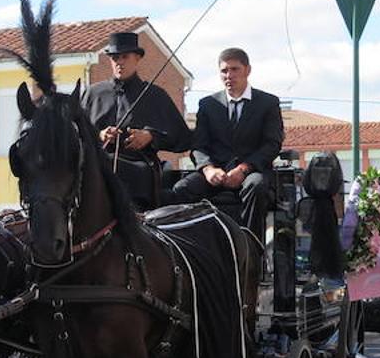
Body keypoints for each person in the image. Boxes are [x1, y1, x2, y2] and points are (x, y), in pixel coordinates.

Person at [170, 47, 284, 229]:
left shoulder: (268, 103)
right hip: (215, 174)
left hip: (251, 172)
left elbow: (272, 144)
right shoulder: (208, 105)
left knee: (257, 186)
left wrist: (244, 169)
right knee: (182, 189)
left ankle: (250, 245)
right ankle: (194, 248)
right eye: (224, 71)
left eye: (234, 69)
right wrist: (208, 169)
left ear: (248, 70)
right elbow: (198, 145)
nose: (229, 75)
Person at [81, 31, 192, 210]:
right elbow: (76, 132)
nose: (119, 62)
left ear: (138, 58)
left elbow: (183, 138)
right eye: (115, 57)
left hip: (139, 166)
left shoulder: (155, 95)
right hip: (96, 165)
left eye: (125, 56)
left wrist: (150, 137)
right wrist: (99, 135)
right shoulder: (92, 94)